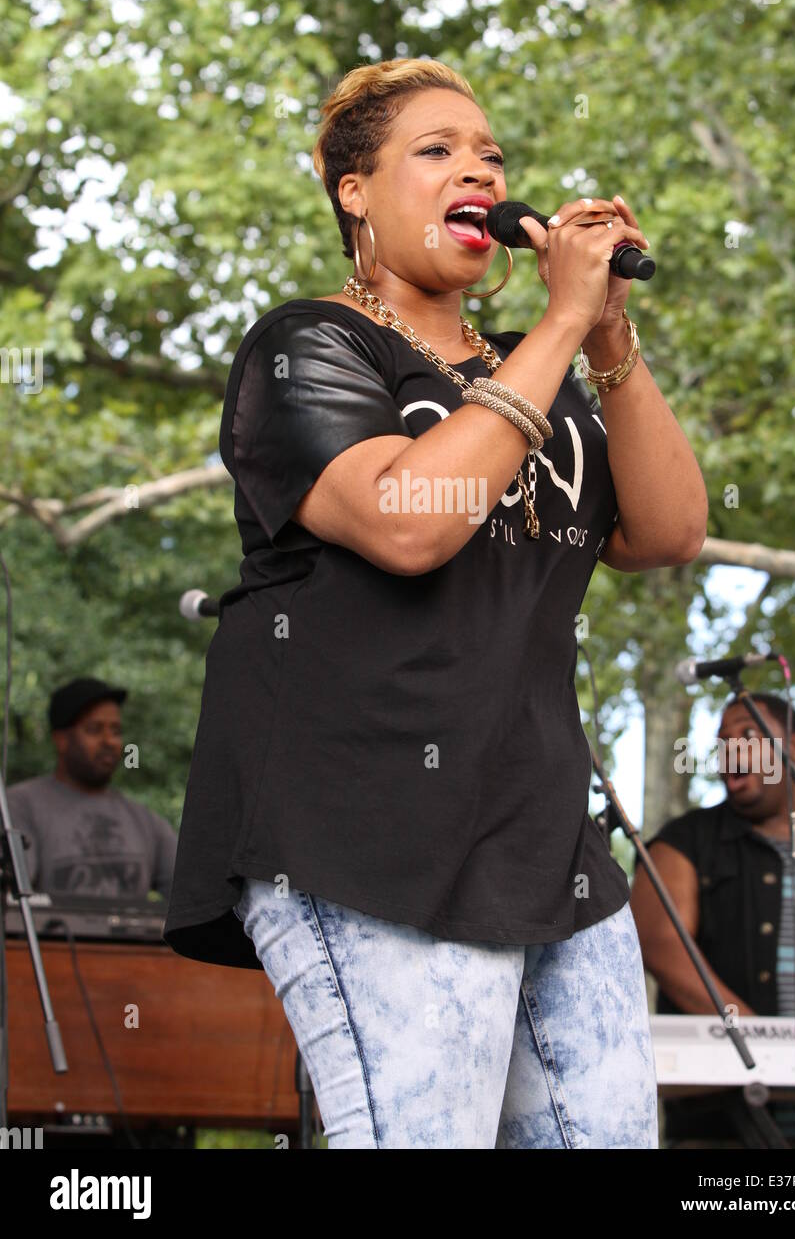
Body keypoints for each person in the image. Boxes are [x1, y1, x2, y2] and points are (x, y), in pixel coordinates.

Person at [163, 57, 708, 1149]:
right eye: (438, 149)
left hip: (541, 840)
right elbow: (413, 522)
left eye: (492, 154)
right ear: (349, 187)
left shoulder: (536, 363)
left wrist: (604, 340)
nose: (479, 168)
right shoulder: (307, 345)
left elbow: (666, 531)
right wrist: (557, 328)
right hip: (366, 832)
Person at [631, 692, 795, 1146]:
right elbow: (659, 942)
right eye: (721, 741)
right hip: (727, 1121)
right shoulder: (688, 840)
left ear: (794, 748)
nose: (729, 750)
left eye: (748, 734)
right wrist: (756, 1036)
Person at [8, 677, 177, 901]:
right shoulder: (21, 804)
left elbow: (192, 892)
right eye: (94, 729)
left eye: (116, 731)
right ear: (61, 740)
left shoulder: (143, 819)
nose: (109, 741)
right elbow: (15, 894)